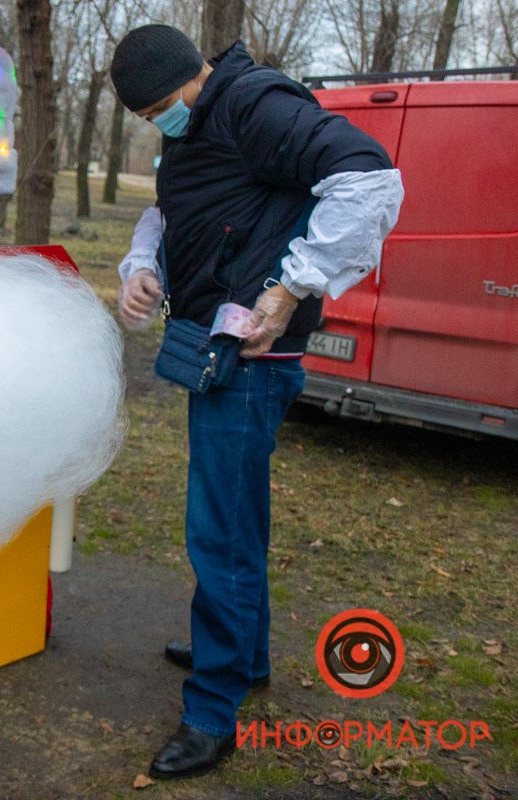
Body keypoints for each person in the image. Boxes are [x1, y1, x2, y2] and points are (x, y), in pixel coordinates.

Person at [109, 25, 403, 779]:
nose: (155, 128)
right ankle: (245, 654)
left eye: (155, 112)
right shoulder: (201, 126)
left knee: (220, 535)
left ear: (186, 81)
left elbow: (371, 178)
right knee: (238, 520)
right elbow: (176, 212)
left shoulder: (254, 105)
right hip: (217, 351)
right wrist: (144, 263)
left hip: (251, 358)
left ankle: (213, 709)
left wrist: (291, 285)